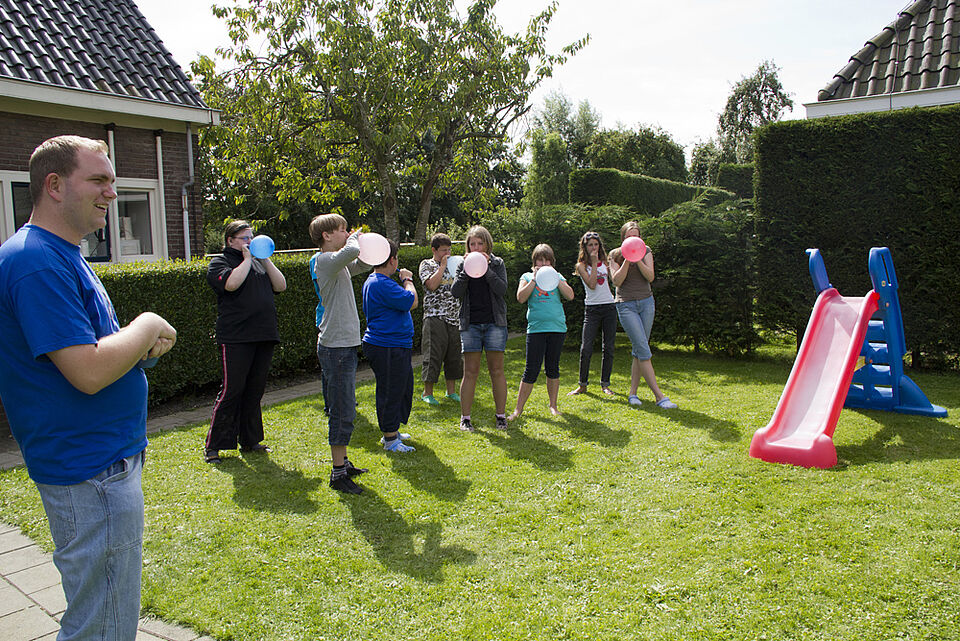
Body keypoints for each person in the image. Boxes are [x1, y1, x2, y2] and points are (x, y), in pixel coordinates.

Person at [0, 135, 177, 641]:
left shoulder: (63, 254)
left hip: (101, 462)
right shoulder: (36, 261)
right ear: (54, 185)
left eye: (113, 182)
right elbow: (88, 371)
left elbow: (95, 346)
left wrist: (137, 349)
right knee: (102, 626)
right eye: (99, 180)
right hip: (91, 468)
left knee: (106, 615)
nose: (112, 193)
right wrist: (146, 324)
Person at [205, 220, 287, 463]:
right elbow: (231, 284)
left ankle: (250, 440)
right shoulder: (220, 263)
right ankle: (214, 446)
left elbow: (280, 285)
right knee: (232, 390)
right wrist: (247, 259)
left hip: (264, 334)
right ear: (230, 240)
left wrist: (265, 259)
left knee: (254, 390)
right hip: (236, 337)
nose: (250, 242)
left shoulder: (261, 262)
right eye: (244, 238)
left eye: (251, 237)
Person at [309, 214, 373, 494]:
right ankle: (338, 473)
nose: (347, 233)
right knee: (341, 409)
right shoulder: (323, 261)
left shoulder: (338, 264)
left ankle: (344, 464)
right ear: (326, 235)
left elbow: (364, 262)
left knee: (345, 406)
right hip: (335, 348)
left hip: (344, 346)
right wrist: (356, 239)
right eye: (342, 230)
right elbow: (352, 251)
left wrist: (368, 245)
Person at [609, 221, 678, 409]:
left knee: (639, 349)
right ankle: (660, 397)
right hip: (626, 305)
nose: (633, 239)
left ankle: (633, 394)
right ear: (623, 238)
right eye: (629, 236)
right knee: (642, 348)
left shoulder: (646, 251)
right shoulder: (614, 254)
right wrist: (627, 258)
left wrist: (637, 258)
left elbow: (650, 277)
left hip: (646, 303)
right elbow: (617, 281)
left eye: (636, 236)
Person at [450, 225, 509, 431]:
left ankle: (501, 416)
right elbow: (456, 292)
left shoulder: (498, 263)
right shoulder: (462, 264)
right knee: (470, 372)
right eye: (472, 244)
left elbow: (502, 289)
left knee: (497, 370)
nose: (476, 248)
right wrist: (466, 271)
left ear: (487, 244)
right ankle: (465, 418)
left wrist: (487, 269)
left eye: (480, 243)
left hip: (494, 323)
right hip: (471, 324)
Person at [362, 239, 418, 453]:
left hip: (393, 345)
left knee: (401, 388)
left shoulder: (376, 281)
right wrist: (408, 280)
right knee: (391, 391)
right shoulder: (382, 283)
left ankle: (392, 429)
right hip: (387, 346)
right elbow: (412, 301)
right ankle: (390, 439)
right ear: (392, 260)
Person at [508, 244, 574, 420]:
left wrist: (556, 279)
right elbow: (521, 297)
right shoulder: (527, 276)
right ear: (534, 261)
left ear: (552, 262)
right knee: (531, 370)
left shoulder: (558, 276)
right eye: (540, 260)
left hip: (557, 328)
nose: (543, 263)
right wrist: (535, 279)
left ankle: (553, 406)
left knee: (553, 368)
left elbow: (570, 295)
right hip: (536, 330)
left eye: (547, 260)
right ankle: (518, 410)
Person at [568, 231, 617, 397]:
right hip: (592, 309)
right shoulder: (581, 266)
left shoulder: (606, 262)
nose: (594, 248)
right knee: (586, 348)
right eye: (590, 245)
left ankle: (605, 384)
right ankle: (582, 385)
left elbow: (615, 280)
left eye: (596, 244)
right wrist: (594, 264)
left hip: (609, 307)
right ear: (585, 247)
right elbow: (592, 284)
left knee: (608, 347)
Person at [418, 232, 463, 405]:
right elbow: (431, 285)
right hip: (434, 316)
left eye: (449, 250)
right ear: (434, 250)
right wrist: (442, 266)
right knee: (433, 355)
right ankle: (427, 393)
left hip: (454, 316)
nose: (447, 254)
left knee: (454, 356)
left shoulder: (454, 265)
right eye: (444, 250)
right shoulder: (426, 264)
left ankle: (451, 392)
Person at [309, 250, 330, 414]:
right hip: (325, 316)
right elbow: (323, 285)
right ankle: (330, 403)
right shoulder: (317, 259)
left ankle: (342, 399)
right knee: (329, 365)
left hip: (334, 316)